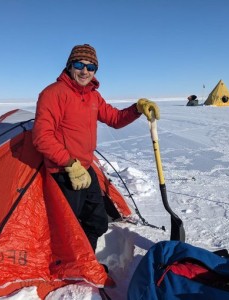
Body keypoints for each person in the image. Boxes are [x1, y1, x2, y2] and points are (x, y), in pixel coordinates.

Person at [32, 44, 159, 252]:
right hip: (64, 171)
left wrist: (136, 109)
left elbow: (115, 118)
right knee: (68, 230)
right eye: (79, 64)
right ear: (69, 65)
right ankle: (72, 268)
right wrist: (69, 163)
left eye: (91, 67)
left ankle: (85, 260)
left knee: (97, 222)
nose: (85, 71)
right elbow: (41, 136)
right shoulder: (53, 94)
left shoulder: (92, 96)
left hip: (86, 167)